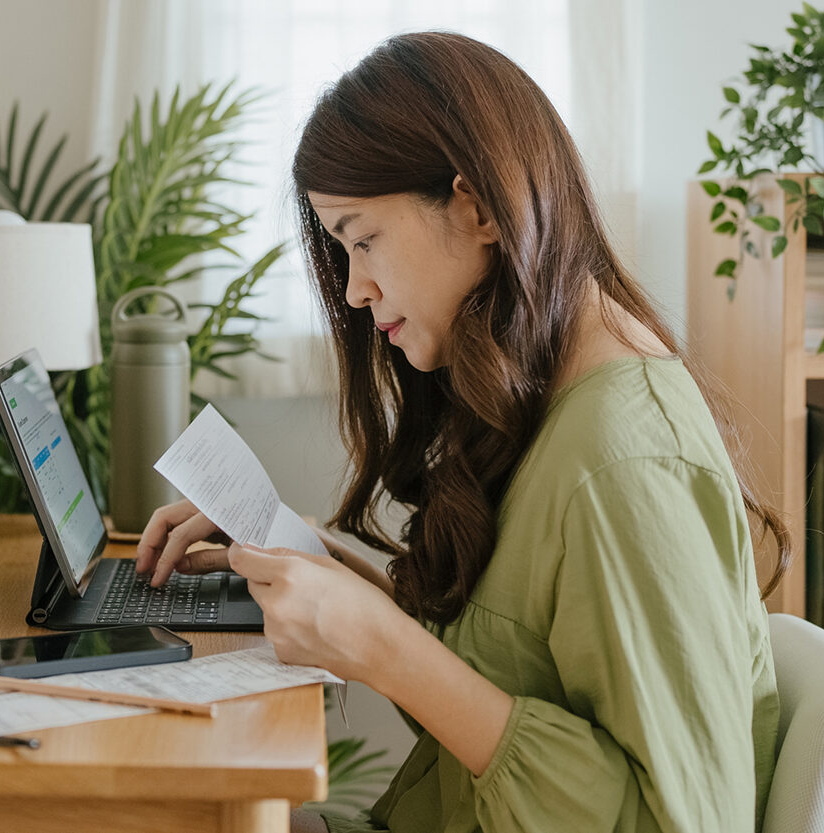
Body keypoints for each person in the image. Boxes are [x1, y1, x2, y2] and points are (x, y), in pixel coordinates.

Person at [136, 31, 789, 833]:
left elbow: (686, 820)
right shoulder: (548, 393)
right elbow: (504, 680)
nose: (355, 290)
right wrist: (321, 567)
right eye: (341, 250)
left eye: (363, 239)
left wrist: (384, 648)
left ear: (478, 207)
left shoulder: (624, 462)